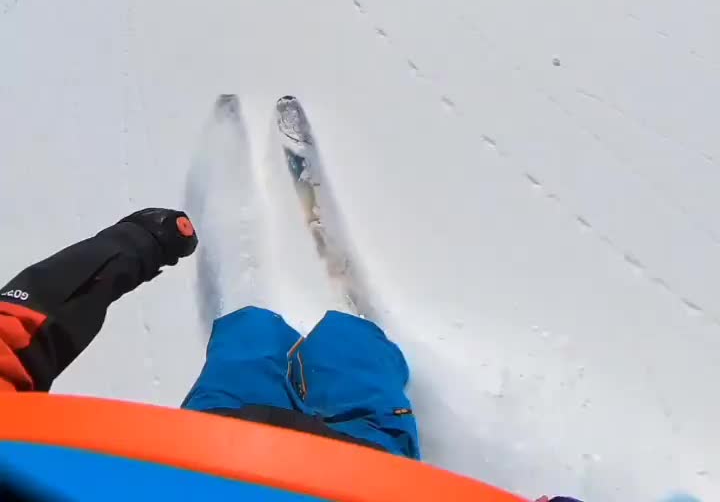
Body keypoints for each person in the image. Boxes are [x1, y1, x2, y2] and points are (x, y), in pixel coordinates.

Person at [0, 209, 578, 499]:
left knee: (249, 337)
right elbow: (16, 333)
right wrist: (130, 246)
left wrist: (129, 248)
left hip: (214, 445)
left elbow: (15, 334)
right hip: (357, 472)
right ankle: (334, 330)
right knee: (350, 352)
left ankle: (276, 320)